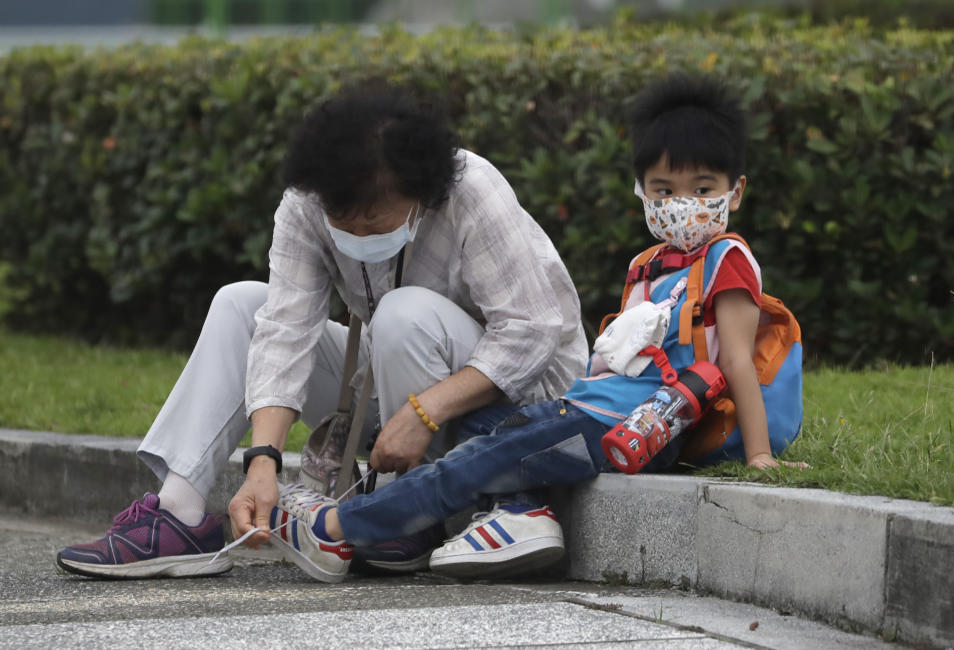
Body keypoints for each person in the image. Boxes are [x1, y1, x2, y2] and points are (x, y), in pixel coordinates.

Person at [245, 73, 808, 583]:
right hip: (594, 408)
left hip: (629, 424)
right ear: (641, 189)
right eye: (663, 190)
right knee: (492, 445)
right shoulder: (650, 265)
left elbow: (734, 360)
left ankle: (340, 524)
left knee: (480, 459)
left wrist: (759, 456)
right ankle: (517, 514)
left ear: (736, 191)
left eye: (702, 189)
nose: (681, 205)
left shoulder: (727, 260)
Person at [55, 82, 588, 579]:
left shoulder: (470, 188)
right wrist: (262, 460)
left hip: (518, 398)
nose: (354, 233)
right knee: (241, 304)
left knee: (404, 313)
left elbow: (532, 330)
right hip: (395, 392)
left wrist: (427, 410)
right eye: (342, 220)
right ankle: (178, 513)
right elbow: (285, 329)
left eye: (373, 222)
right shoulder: (308, 200)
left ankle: (404, 514)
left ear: (420, 194)